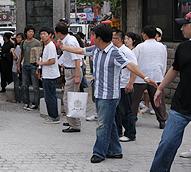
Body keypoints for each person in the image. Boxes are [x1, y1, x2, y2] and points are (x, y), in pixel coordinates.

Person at [60, 24, 156, 163]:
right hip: (99, 93)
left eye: (93, 36)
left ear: (99, 38)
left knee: (102, 125)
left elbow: (130, 65)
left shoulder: (114, 52)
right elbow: (81, 50)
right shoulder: (96, 49)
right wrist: (65, 47)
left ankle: (99, 152)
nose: (92, 38)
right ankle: (115, 151)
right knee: (108, 124)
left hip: (109, 96)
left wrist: (145, 78)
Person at [142, 11, 191, 172]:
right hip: (180, 106)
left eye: (185, 25)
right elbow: (175, 69)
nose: (181, 28)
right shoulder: (183, 47)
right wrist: (160, 88)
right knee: (167, 143)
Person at [131, 25, 168, 129]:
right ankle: (162, 119)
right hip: (157, 76)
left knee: (135, 100)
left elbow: (134, 62)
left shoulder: (140, 47)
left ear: (145, 35)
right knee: (158, 100)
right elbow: (164, 62)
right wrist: (162, 74)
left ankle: (132, 119)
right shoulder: (162, 47)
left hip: (141, 77)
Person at [55, 23, 83, 133]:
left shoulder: (70, 42)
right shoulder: (67, 40)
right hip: (69, 70)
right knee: (70, 97)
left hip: (72, 72)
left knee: (69, 99)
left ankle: (75, 125)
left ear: (59, 33)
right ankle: (72, 120)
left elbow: (77, 59)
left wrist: (76, 76)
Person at [112, 29, 138, 142]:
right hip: (116, 85)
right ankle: (118, 131)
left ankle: (130, 133)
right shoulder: (114, 50)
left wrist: (130, 83)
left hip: (124, 84)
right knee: (116, 111)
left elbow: (134, 68)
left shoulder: (127, 52)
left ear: (118, 39)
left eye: (112, 38)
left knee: (125, 110)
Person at [37, 27, 60, 124]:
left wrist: (41, 63)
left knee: (50, 97)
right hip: (47, 74)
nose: (42, 36)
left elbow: (52, 61)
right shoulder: (47, 45)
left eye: (45, 34)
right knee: (50, 96)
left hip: (50, 75)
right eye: (41, 34)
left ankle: (53, 117)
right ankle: (53, 116)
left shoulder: (50, 46)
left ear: (50, 35)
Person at [21, 25, 41, 110]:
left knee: (35, 86)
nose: (31, 33)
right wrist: (19, 65)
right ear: (26, 32)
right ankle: (26, 102)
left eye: (32, 31)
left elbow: (39, 55)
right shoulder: (23, 42)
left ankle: (35, 103)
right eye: (29, 31)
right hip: (25, 66)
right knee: (25, 86)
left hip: (33, 66)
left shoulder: (36, 42)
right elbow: (21, 54)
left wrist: (38, 68)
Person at [11, 33, 23, 103]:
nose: (18, 39)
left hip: (16, 67)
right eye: (17, 37)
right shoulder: (22, 46)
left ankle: (17, 98)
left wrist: (12, 52)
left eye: (19, 38)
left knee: (16, 83)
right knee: (21, 83)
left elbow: (16, 57)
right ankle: (21, 99)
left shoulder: (18, 47)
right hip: (21, 66)